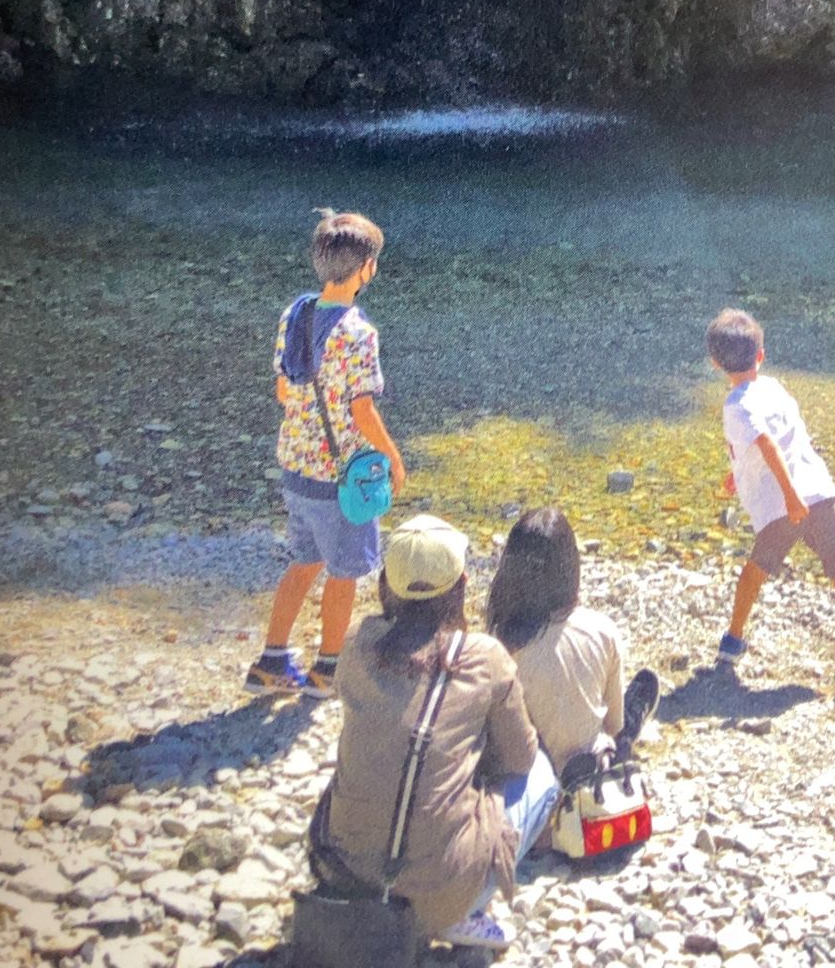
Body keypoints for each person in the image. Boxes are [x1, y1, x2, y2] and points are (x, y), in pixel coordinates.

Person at [313, 514, 558, 952]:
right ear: (462, 586)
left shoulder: (356, 643)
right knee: (541, 771)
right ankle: (463, 911)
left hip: (344, 874)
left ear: (385, 585)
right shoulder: (485, 657)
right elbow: (520, 758)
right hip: (442, 896)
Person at [244, 210, 407, 697]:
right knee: (344, 573)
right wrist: (394, 459)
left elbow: (283, 390)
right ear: (365, 268)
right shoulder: (359, 332)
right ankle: (327, 670)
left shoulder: (295, 313)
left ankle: (271, 662)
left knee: (304, 562)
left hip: (296, 467)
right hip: (340, 478)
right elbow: (362, 411)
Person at [706, 307, 835, 685]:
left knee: (755, 570)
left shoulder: (736, 405)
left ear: (715, 363)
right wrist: (738, 473)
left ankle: (733, 641)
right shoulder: (773, 388)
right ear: (761, 355)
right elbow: (781, 439)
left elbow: (767, 445)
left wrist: (790, 497)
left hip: (784, 507)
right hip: (820, 492)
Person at [486, 507, 660, 776]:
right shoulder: (601, 630)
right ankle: (627, 736)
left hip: (532, 776)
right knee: (623, 719)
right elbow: (612, 724)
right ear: (570, 569)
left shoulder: (499, 648)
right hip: (591, 765)